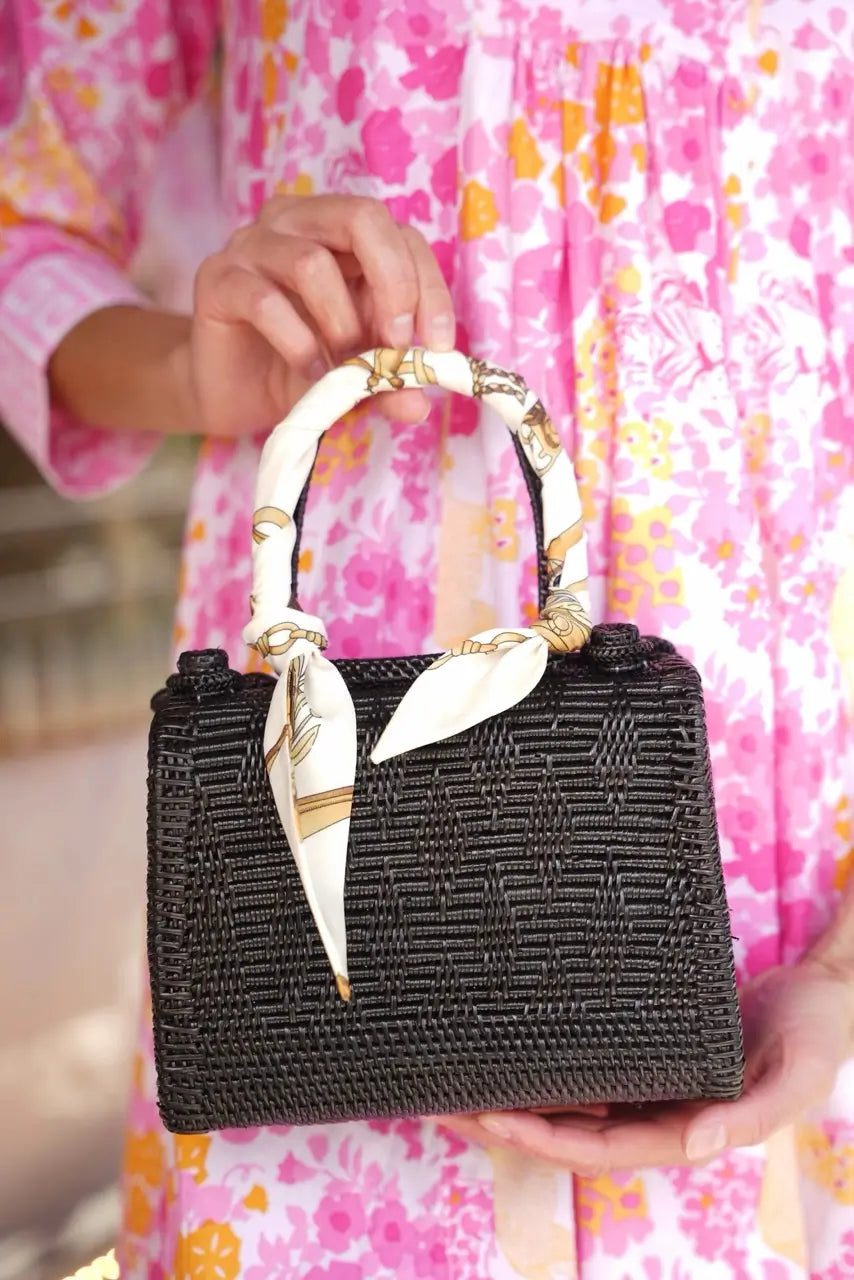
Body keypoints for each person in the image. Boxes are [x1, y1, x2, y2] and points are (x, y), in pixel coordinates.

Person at [2, 0, 853, 1275]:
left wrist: (842, 971)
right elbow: (26, 231)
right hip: (320, 825)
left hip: (784, 898)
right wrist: (193, 371)